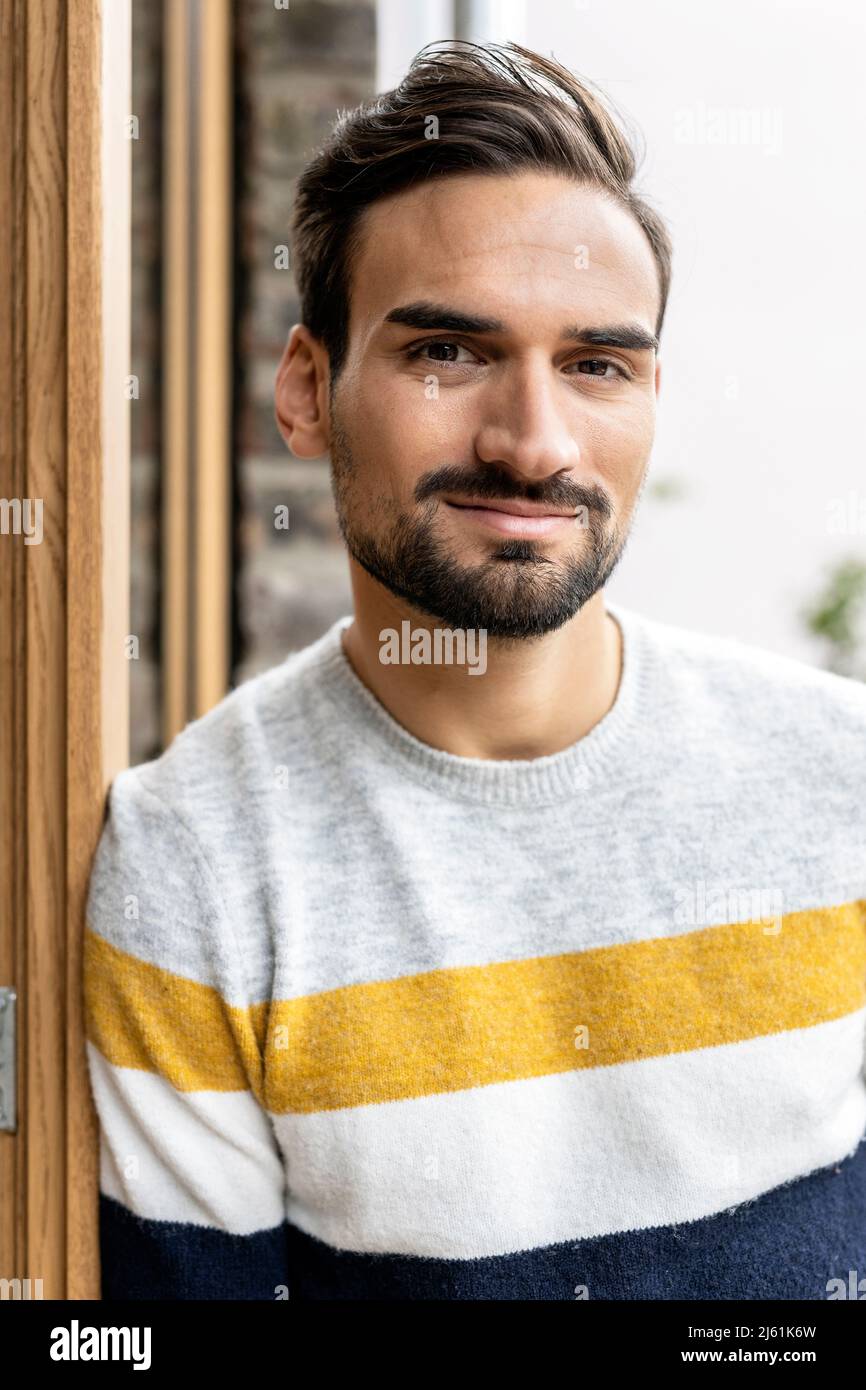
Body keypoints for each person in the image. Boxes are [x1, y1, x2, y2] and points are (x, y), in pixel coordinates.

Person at [84, 40, 866, 1300]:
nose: (533, 443)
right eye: (446, 352)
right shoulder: (194, 871)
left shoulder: (840, 780)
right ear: (304, 390)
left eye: (596, 364)